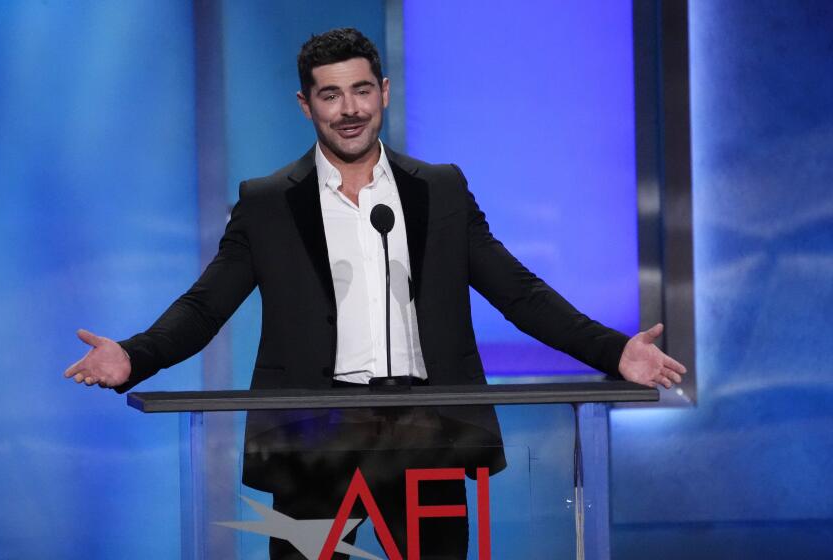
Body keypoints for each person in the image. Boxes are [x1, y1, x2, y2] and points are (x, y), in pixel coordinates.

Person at [64, 27, 686, 558]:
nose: (350, 108)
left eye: (362, 90)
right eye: (330, 95)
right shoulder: (268, 203)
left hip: (427, 430)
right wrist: (133, 357)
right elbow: (206, 307)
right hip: (311, 436)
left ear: (383, 93)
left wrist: (615, 353)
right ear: (305, 105)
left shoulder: (438, 191)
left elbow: (518, 292)